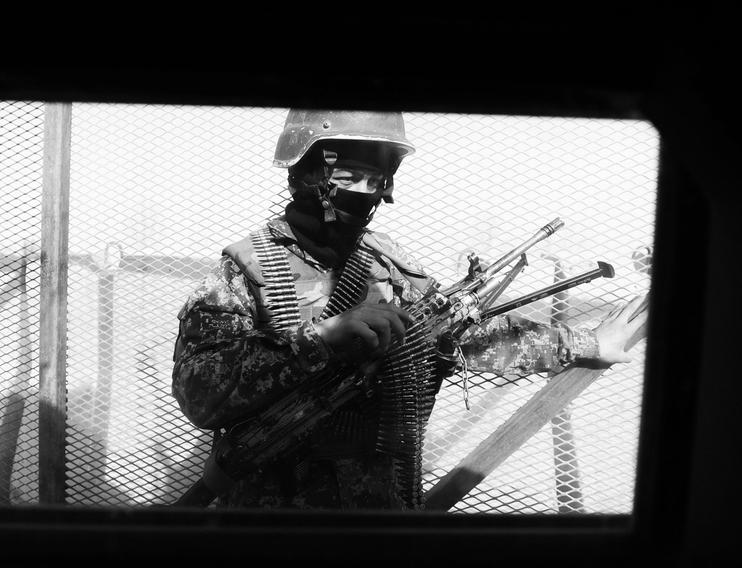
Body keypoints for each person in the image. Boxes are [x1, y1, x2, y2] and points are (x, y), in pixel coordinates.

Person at [171, 109, 646, 510]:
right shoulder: (247, 271)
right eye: (348, 174)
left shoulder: (387, 264)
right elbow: (200, 394)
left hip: (385, 507)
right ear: (307, 172)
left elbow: (461, 334)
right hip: (276, 516)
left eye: (375, 178)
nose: (365, 190)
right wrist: (319, 340)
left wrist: (584, 343)